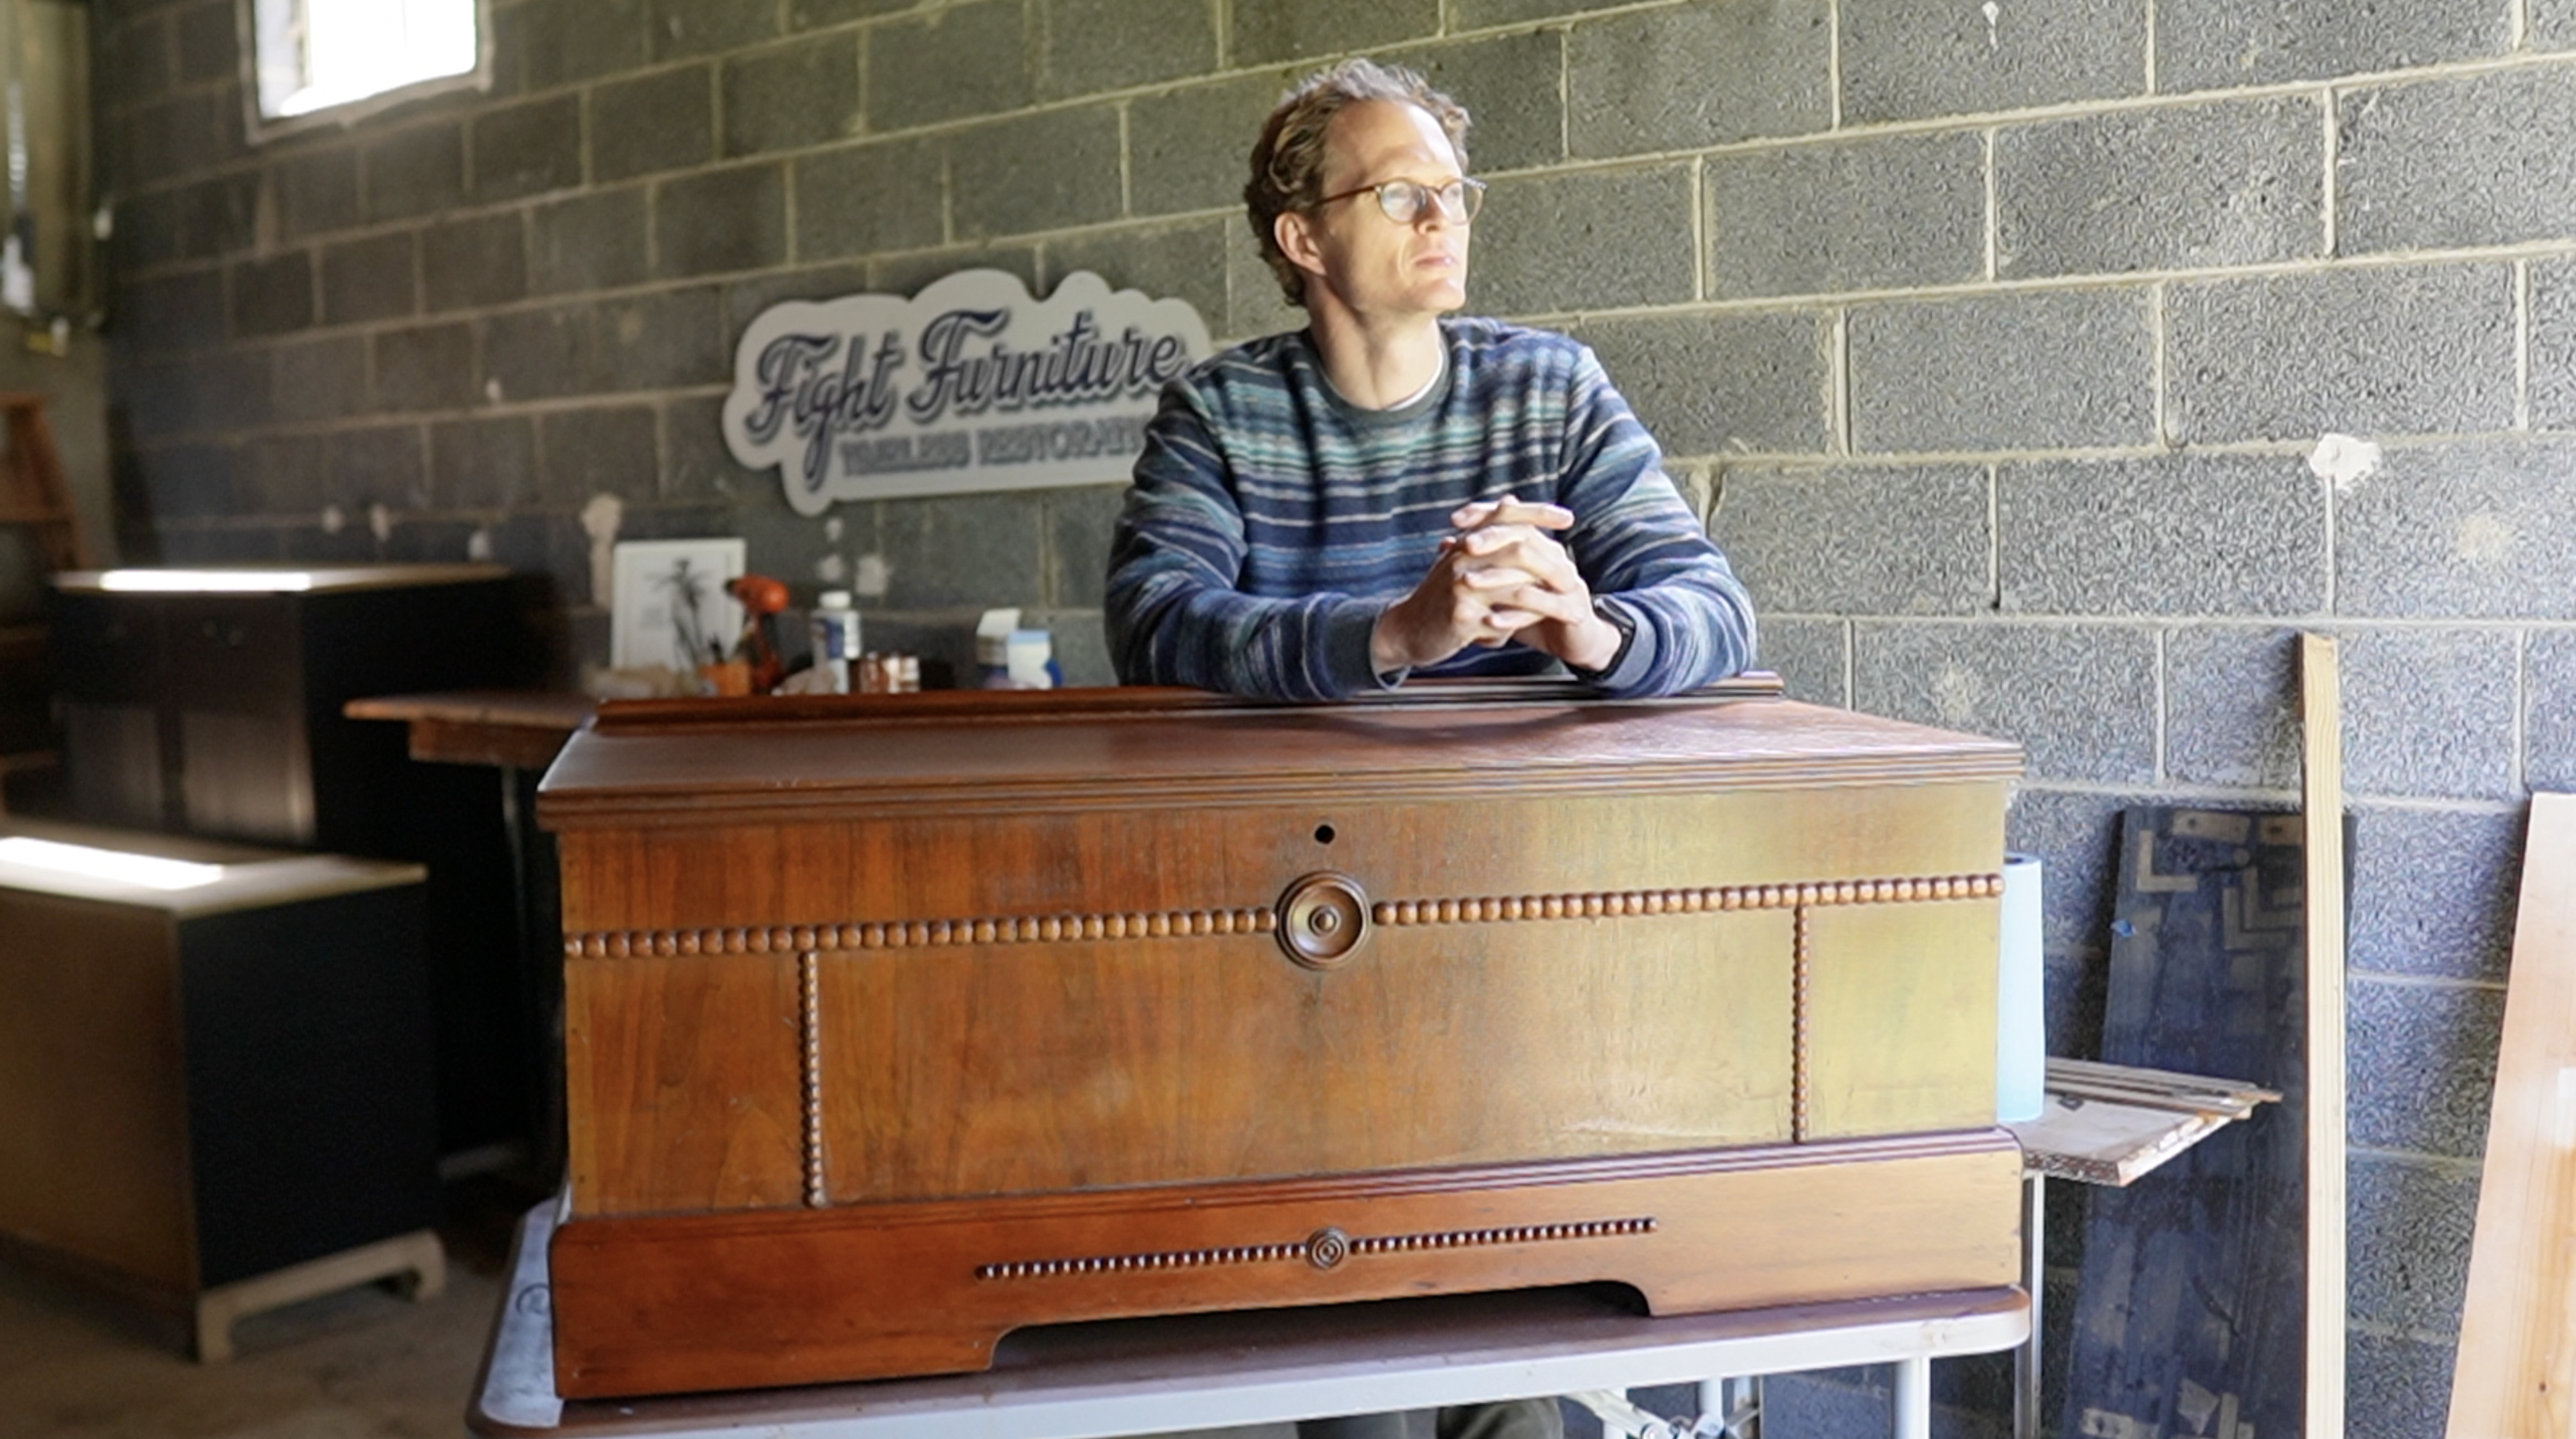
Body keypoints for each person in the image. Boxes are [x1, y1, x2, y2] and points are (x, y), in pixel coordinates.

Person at [1105, 58, 1756, 704]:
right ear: (1305, 239)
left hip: (1506, 794)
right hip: (1299, 799)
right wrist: (1395, 633)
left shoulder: (1548, 388)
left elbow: (1718, 611)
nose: (1439, 216)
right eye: (1399, 193)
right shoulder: (1218, 412)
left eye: (1451, 191)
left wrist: (1592, 634)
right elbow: (1152, 625)